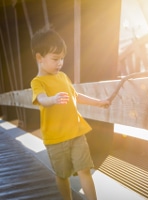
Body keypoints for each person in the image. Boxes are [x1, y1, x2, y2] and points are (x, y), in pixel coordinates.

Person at [30, 27, 110, 200]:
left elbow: (76, 95)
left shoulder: (64, 77)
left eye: (62, 59)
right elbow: (42, 99)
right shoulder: (37, 82)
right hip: (55, 140)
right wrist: (53, 99)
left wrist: (98, 102)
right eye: (55, 59)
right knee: (62, 175)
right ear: (39, 58)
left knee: (85, 170)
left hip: (76, 133)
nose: (60, 63)